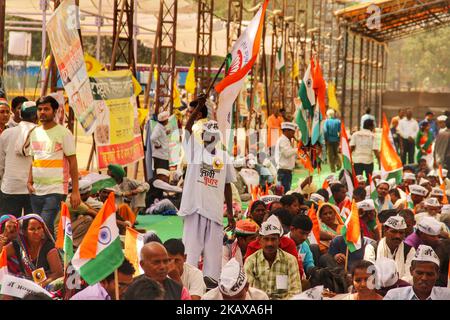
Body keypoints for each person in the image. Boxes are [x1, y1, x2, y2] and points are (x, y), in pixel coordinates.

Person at [178, 96, 236, 282]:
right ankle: (188, 288)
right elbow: (186, 129)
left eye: (213, 136)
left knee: (213, 260)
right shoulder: (194, 150)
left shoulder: (224, 156)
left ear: (217, 138)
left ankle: (210, 290)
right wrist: (197, 111)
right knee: (191, 254)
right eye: (206, 136)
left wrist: (231, 214)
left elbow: (227, 184)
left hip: (215, 212)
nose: (210, 139)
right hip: (194, 210)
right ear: (202, 137)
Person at [27, 96, 80, 234]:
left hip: (55, 190)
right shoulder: (34, 133)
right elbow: (34, 159)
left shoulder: (64, 133)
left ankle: (52, 254)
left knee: (43, 227)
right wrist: (29, 181)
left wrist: (75, 191)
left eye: (46, 109)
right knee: (40, 228)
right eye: (39, 109)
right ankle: (50, 254)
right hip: (36, 190)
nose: (42, 112)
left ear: (55, 111)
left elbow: (73, 162)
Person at [244, 215, 301, 299]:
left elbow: (295, 291)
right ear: (260, 241)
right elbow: (248, 292)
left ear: (279, 241)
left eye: (273, 239)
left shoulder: (290, 260)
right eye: (266, 239)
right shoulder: (251, 261)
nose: (270, 244)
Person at [1, 214, 63, 286]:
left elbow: (58, 273)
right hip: (25, 285)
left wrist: (42, 284)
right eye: (32, 229)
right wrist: (5, 234)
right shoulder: (18, 246)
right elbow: (2, 254)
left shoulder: (48, 248)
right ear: (24, 232)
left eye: (39, 228)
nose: (36, 232)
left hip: (46, 287)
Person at [0, 101, 37, 216]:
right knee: (31, 226)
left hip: (10, 187)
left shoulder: (7, 133)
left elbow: (1, 164)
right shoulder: (42, 134)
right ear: (36, 116)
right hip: (34, 189)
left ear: (20, 115)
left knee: (8, 225)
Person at [384, 245, 450, 300]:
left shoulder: (446, 296)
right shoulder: (394, 296)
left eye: (429, 274)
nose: (424, 278)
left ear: (437, 274)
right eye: (419, 273)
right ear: (411, 271)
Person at [364, 216, 415, 283]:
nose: (398, 236)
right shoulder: (372, 248)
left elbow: (410, 276)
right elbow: (370, 274)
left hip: (401, 290)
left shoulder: (409, 250)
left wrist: (394, 284)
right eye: (393, 232)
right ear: (385, 231)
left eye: (401, 233)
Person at [202, 258, 269, 300]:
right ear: (219, 290)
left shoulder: (260, 297)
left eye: (238, 298)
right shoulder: (208, 298)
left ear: (246, 287)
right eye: (227, 299)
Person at [71, 258, 135, 300]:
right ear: (103, 281)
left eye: (129, 285)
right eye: (121, 285)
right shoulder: (92, 298)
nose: (126, 290)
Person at [275, 122, 298, 193]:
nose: (293, 134)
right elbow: (287, 153)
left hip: (286, 172)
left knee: (286, 192)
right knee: (284, 193)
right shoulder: (283, 140)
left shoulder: (286, 140)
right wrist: (298, 149)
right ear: (286, 131)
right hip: (283, 172)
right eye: (292, 132)